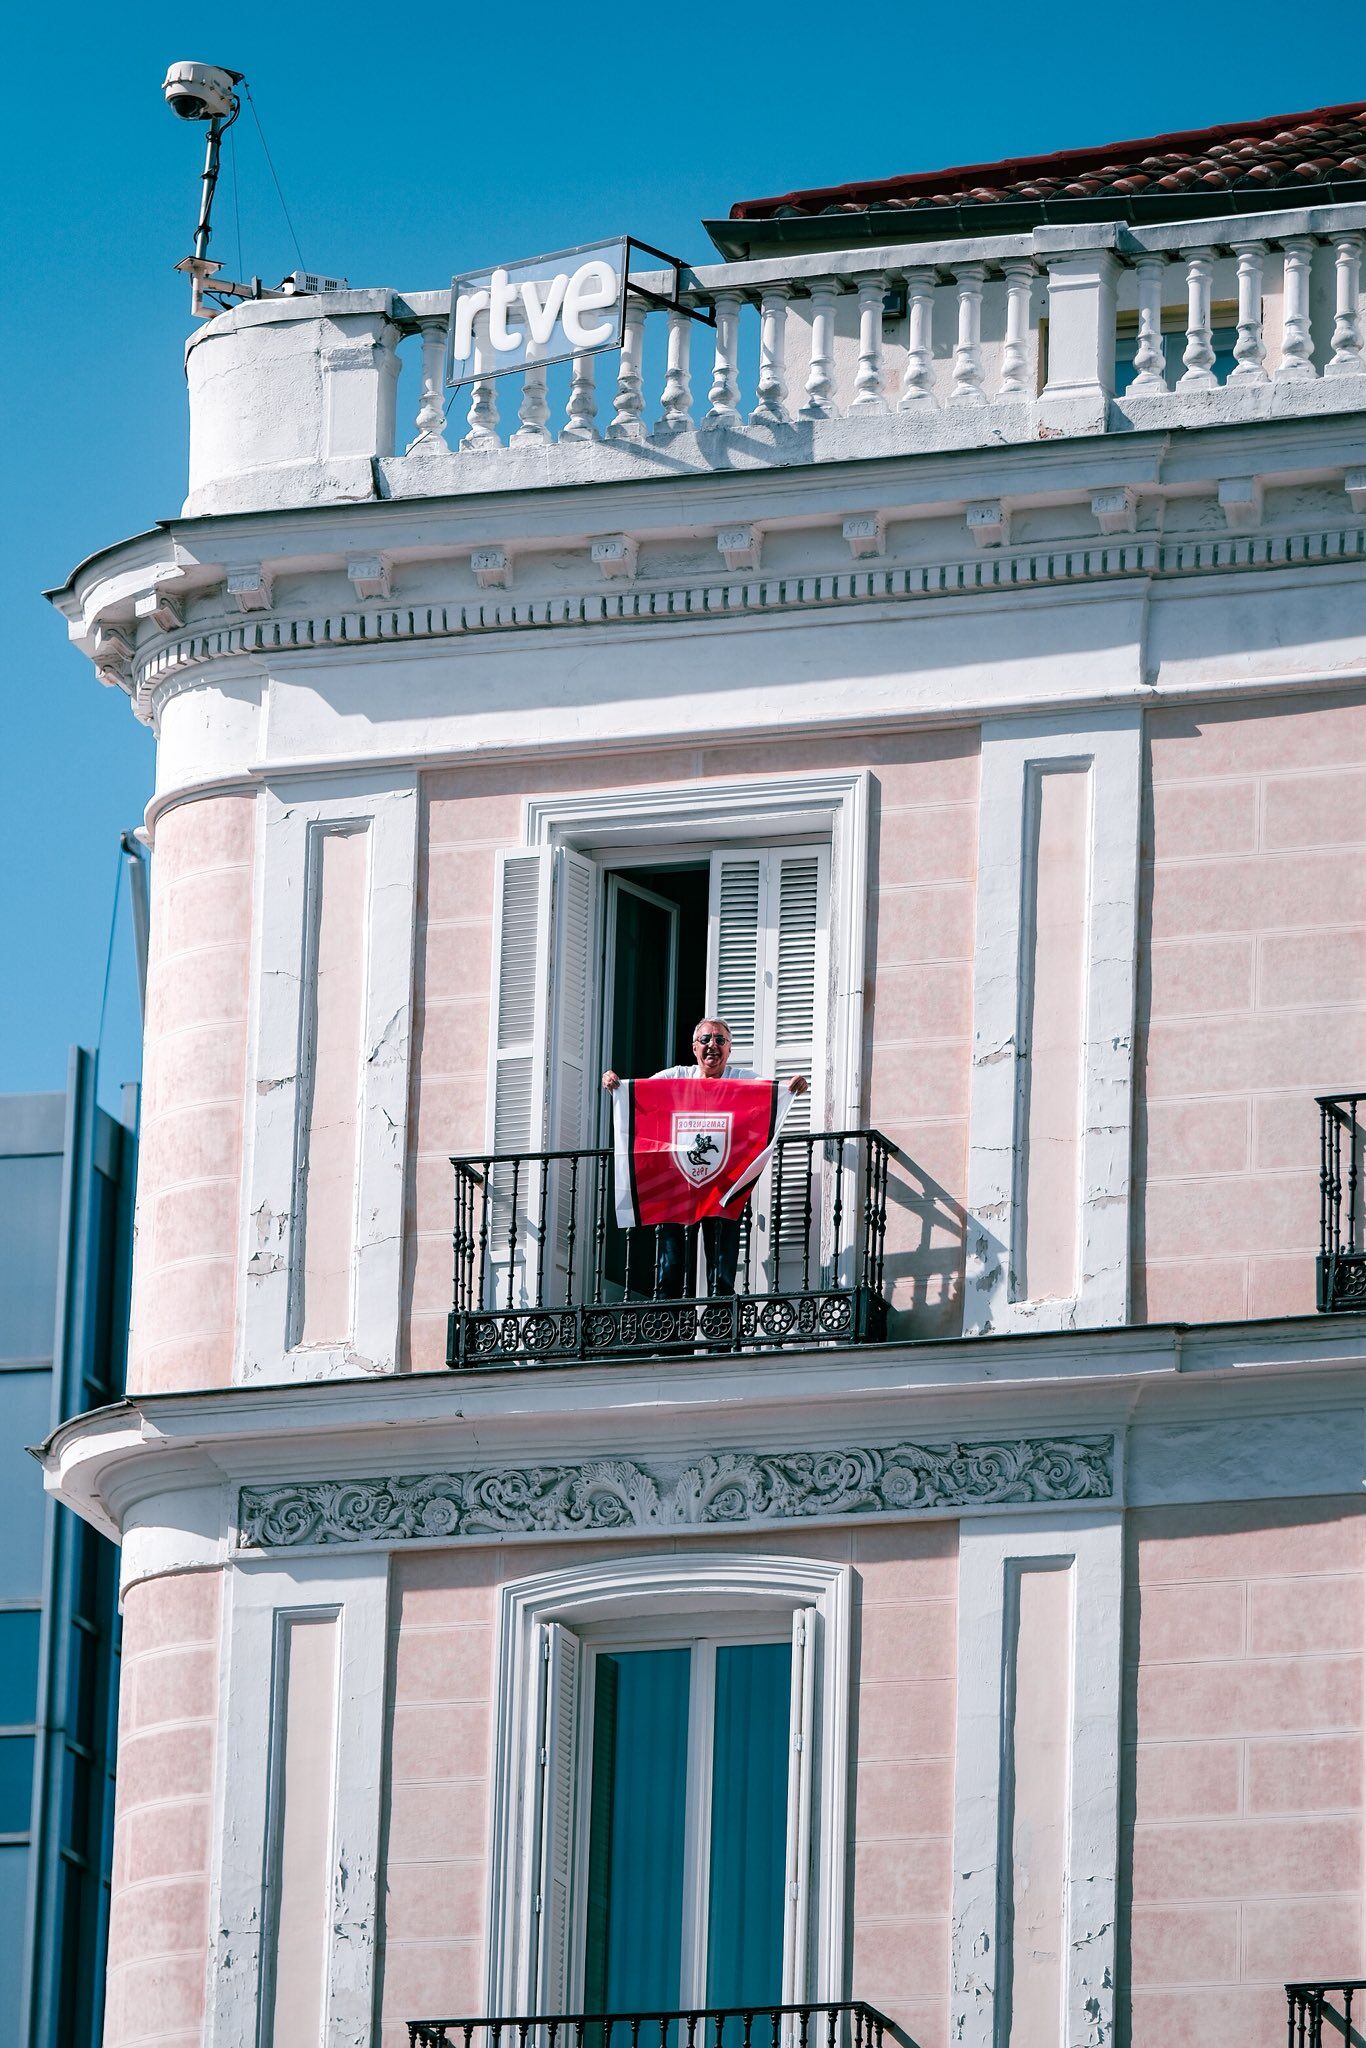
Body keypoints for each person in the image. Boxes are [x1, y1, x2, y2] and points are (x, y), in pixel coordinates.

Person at [603, 1018, 808, 1300]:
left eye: (720, 1040)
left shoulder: (744, 1080)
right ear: (694, 1047)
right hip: (677, 1191)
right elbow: (638, 1097)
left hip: (722, 1191)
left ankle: (719, 1344)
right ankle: (670, 1341)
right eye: (706, 1039)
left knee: (721, 1276)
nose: (713, 1045)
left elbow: (772, 1095)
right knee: (670, 1271)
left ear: (729, 1049)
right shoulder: (676, 1077)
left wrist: (793, 1086)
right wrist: (616, 1084)